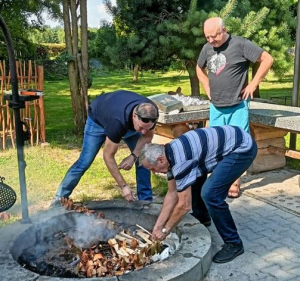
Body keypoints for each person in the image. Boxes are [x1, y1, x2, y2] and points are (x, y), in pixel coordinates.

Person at [139, 125, 257, 263]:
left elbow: (184, 206)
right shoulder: (169, 155)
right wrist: (158, 226)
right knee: (188, 182)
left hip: (242, 148)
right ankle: (202, 216)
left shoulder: (180, 161)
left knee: (210, 194)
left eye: (152, 168)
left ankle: (234, 243)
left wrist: (165, 231)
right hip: (230, 143)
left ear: (160, 160)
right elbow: (172, 194)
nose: (153, 172)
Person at [196, 17, 273, 198]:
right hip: (216, 106)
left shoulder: (240, 44)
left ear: (223, 30)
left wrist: (253, 84)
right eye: (206, 37)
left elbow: (267, 59)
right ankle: (217, 180)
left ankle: (234, 181)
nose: (210, 41)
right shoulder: (207, 48)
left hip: (238, 104)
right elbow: (199, 69)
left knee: (237, 145)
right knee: (216, 145)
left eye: (213, 36)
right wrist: (207, 86)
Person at [50, 90, 159, 207]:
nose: (143, 131)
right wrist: (123, 186)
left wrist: (133, 156)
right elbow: (108, 156)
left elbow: (147, 137)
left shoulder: (151, 114)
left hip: (120, 116)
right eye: (141, 127)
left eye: (147, 128)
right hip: (98, 120)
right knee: (84, 162)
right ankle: (59, 199)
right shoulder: (117, 122)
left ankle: (145, 202)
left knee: (143, 159)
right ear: (134, 116)